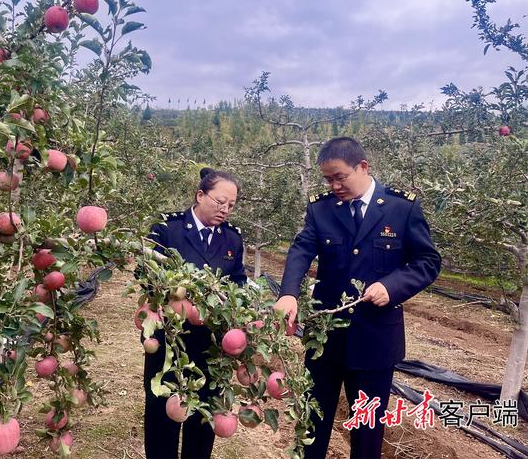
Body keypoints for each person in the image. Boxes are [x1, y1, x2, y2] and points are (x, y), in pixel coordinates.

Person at [274, 137, 441, 459]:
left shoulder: (400, 208)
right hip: (325, 339)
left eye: (340, 177)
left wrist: (392, 286)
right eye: (328, 179)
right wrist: (288, 294)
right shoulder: (321, 208)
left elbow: (428, 262)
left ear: (363, 167)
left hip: (374, 341)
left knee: (367, 431)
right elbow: (301, 250)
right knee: (313, 421)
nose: (334, 185)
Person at [143, 167, 246, 459]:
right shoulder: (167, 228)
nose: (225, 210)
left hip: (212, 345)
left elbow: (237, 282)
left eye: (231, 206)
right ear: (200, 195)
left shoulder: (232, 240)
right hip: (170, 340)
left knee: (202, 420)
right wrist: (179, 303)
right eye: (220, 202)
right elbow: (146, 273)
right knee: (162, 413)